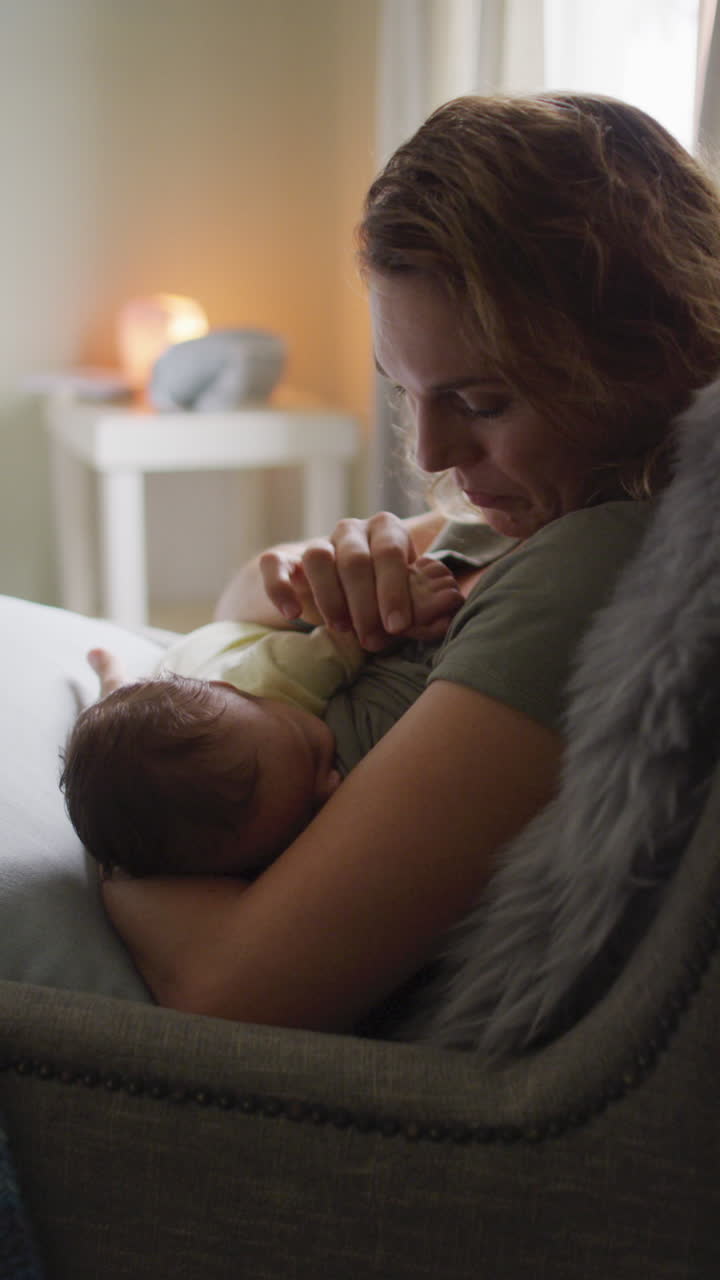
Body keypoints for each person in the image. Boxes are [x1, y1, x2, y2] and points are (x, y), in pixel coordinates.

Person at [100, 92, 720, 1038]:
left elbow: (233, 990)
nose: (430, 455)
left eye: (482, 400)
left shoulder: (595, 571)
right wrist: (312, 570)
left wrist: (107, 825)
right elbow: (245, 593)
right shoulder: (529, 512)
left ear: (639, 362)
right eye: (408, 393)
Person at [61, 556, 462, 878]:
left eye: (312, 754)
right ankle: (113, 682)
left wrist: (409, 603)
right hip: (189, 668)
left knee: (126, 699)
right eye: (303, 815)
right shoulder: (214, 832)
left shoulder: (283, 675)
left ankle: (113, 678)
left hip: (219, 643)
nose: (332, 783)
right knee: (123, 727)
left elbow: (356, 631)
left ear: (238, 694)